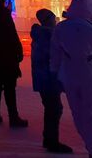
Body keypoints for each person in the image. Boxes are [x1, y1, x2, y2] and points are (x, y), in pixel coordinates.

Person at [51, 0, 92, 158]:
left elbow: (55, 54)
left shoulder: (60, 28)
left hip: (69, 75)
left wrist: (55, 72)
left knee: (76, 111)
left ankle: (87, 140)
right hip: (91, 76)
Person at [31, 8, 72, 154]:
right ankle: (51, 141)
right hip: (49, 78)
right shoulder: (48, 36)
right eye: (53, 18)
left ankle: (48, 138)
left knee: (51, 108)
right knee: (54, 109)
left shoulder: (40, 35)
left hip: (43, 78)